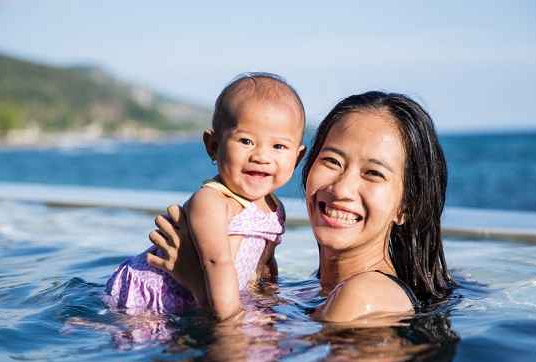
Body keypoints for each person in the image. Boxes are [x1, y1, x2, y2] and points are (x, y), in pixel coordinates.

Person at [148, 91, 453, 321]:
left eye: (373, 173)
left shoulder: (362, 296)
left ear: (406, 207)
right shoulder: (318, 290)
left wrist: (197, 284)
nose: (342, 188)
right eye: (332, 161)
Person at [104, 73, 306, 320]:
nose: (261, 156)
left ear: (297, 158)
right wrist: (232, 323)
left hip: (203, 297)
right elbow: (217, 263)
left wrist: (269, 297)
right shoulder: (211, 201)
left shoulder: (275, 208)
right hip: (151, 298)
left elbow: (264, 262)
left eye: (278, 146)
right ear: (213, 145)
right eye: (246, 141)